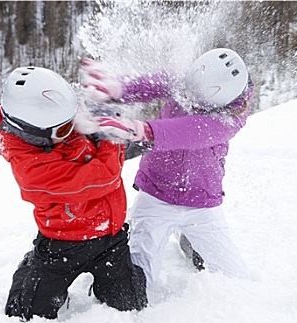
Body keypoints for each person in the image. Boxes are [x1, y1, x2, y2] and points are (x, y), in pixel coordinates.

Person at [80, 48, 254, 288]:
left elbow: (193, 130)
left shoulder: (230, 118)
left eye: (195, 99)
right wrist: (119, 88)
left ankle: (189, 241)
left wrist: (144, 130)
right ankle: (183, 239)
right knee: (139, 281)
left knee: (237, 279)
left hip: (201, 202)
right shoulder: (196, 77)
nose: (186, 96)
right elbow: (159, 82)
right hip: (157, 192)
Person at [0, 66, 147, 321]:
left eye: (72, 120)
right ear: (33, 133)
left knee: (131, 301)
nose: (72, 128)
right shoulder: (32, 170)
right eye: (64, 129)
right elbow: (103, 177)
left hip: (110, 236)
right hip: (62, 245)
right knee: (27, 313)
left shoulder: (55, 124)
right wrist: (111, 137)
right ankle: (31, 267)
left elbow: (88, 134)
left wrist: (106, 110)